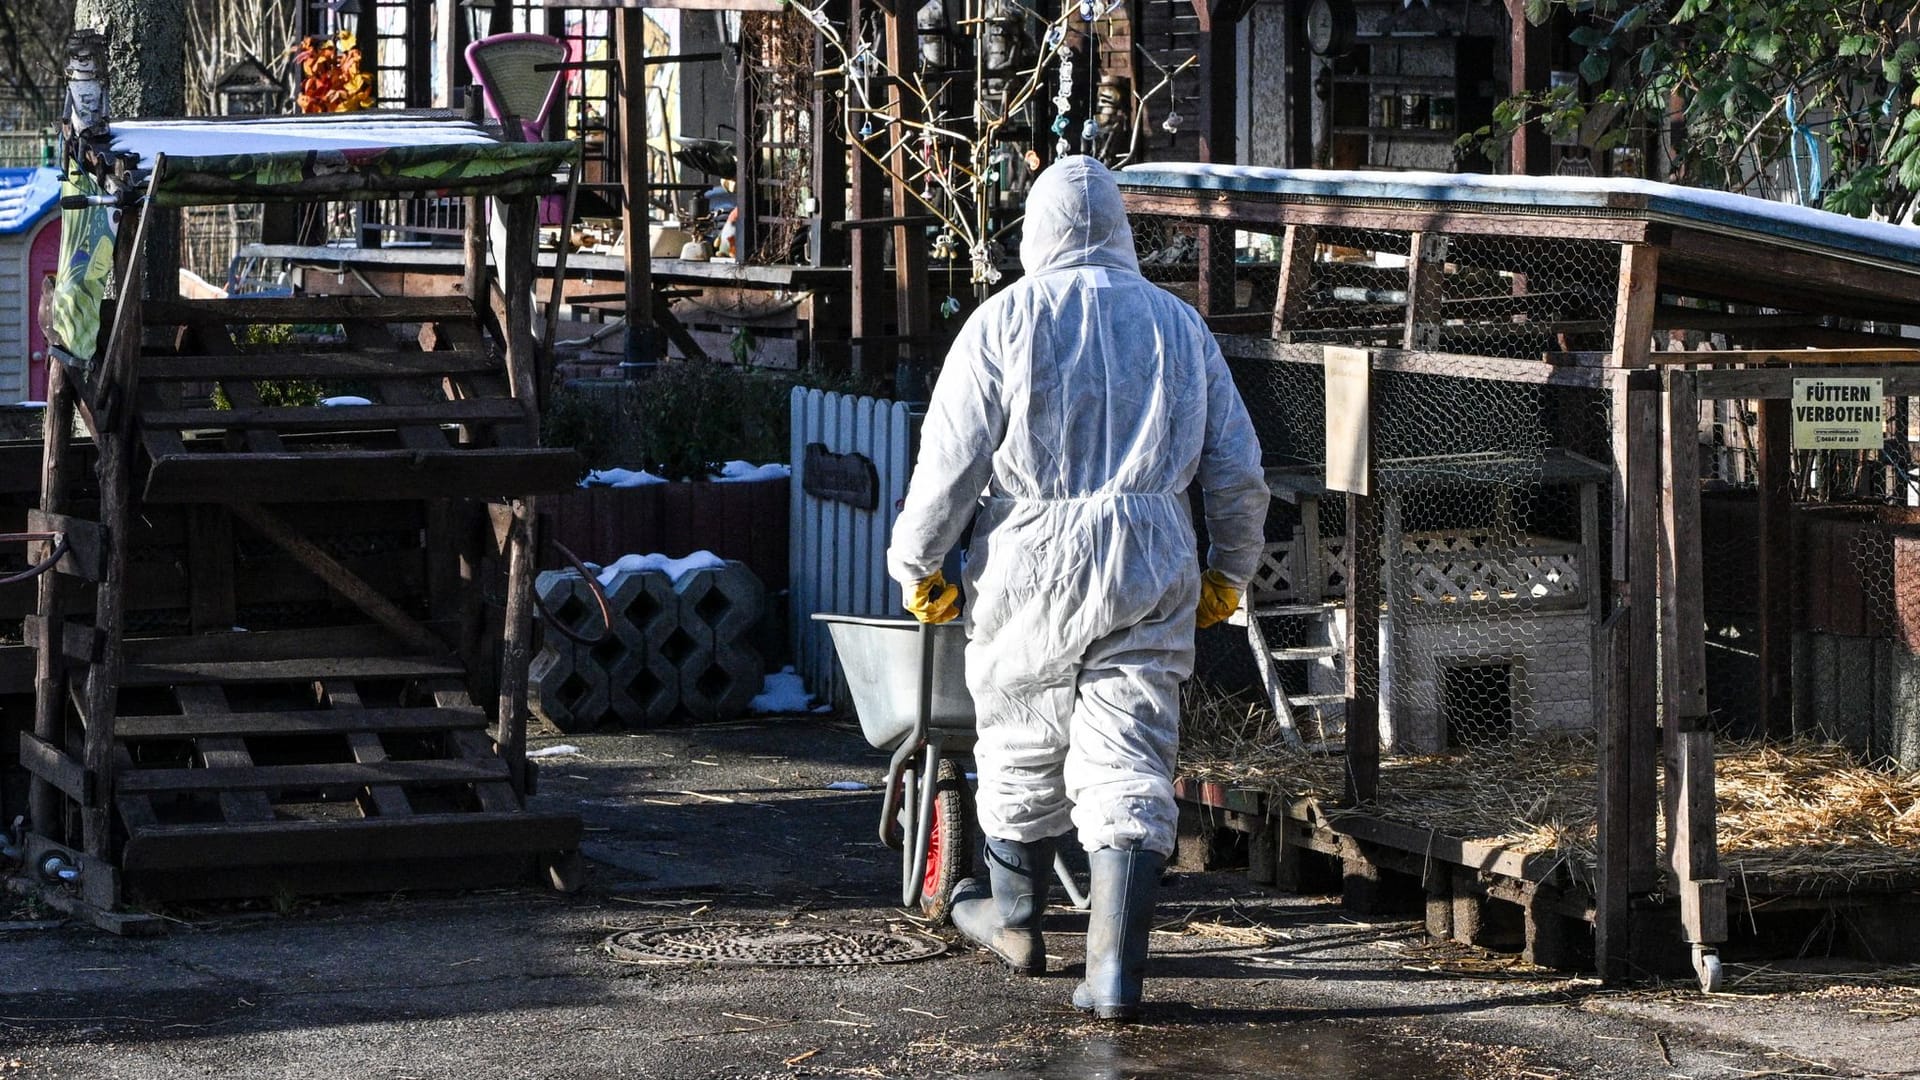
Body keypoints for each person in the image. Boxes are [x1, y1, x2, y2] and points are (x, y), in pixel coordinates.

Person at [885, 155, 1267, 1020]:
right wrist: (1227, 573)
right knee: (1131, 748)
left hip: (1029, 559)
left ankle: (1018, 920)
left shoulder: (1001, 322)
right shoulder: (1177, 324)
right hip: (1150, 553)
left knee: (1019, 733)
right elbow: (1239, 471)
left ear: (1035, 232)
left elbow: (947, 468)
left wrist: (918, 566)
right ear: (1124, 231)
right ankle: (1115, 976)